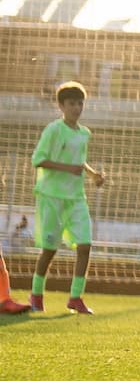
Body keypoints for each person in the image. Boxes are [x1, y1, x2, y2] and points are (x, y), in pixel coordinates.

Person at [17, 82, 107, 314]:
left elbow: (79, 161)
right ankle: (36, 295)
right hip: (52, 197)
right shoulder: (54, 130)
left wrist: (93, 175)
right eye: (72, 103)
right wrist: (67, 168)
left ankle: (75, 298)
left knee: (85, 246)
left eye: (80, 103)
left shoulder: (84, 133)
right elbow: (38, 160)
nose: (77, 108)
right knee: (49, 250)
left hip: (76, 198)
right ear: (61, 106)